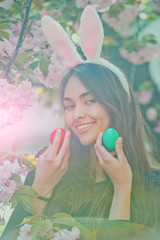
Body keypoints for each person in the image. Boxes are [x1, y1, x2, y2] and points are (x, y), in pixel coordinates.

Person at [1, 5, 160, 240]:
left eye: (90, 100)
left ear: (116, 103)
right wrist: (41, 186)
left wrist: (122, 187)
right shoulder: (49, 167)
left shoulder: (153, 184)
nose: (77, 115)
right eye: (69, 105)